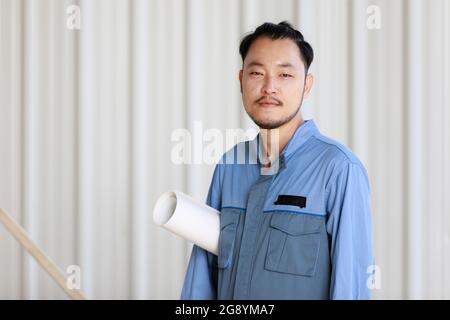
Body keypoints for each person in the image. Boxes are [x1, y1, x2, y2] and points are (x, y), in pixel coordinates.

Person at [180, 21, 374, 300]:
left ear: (307, 85)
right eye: (257, 73)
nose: (269, 87)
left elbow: (351, 288)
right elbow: (201, 279)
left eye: (284, 75)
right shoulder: (230, 166)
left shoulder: (339, 169)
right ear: (241, 80)